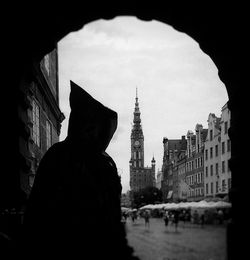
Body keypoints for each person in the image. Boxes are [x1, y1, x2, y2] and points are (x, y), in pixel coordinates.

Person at [22, 81, 140, 260]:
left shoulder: (104, 162)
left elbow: (112, 219)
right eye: (90, 127)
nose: (93, 134)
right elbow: (39, 214)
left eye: (96, 129)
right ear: (80, 124)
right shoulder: (61, 156)